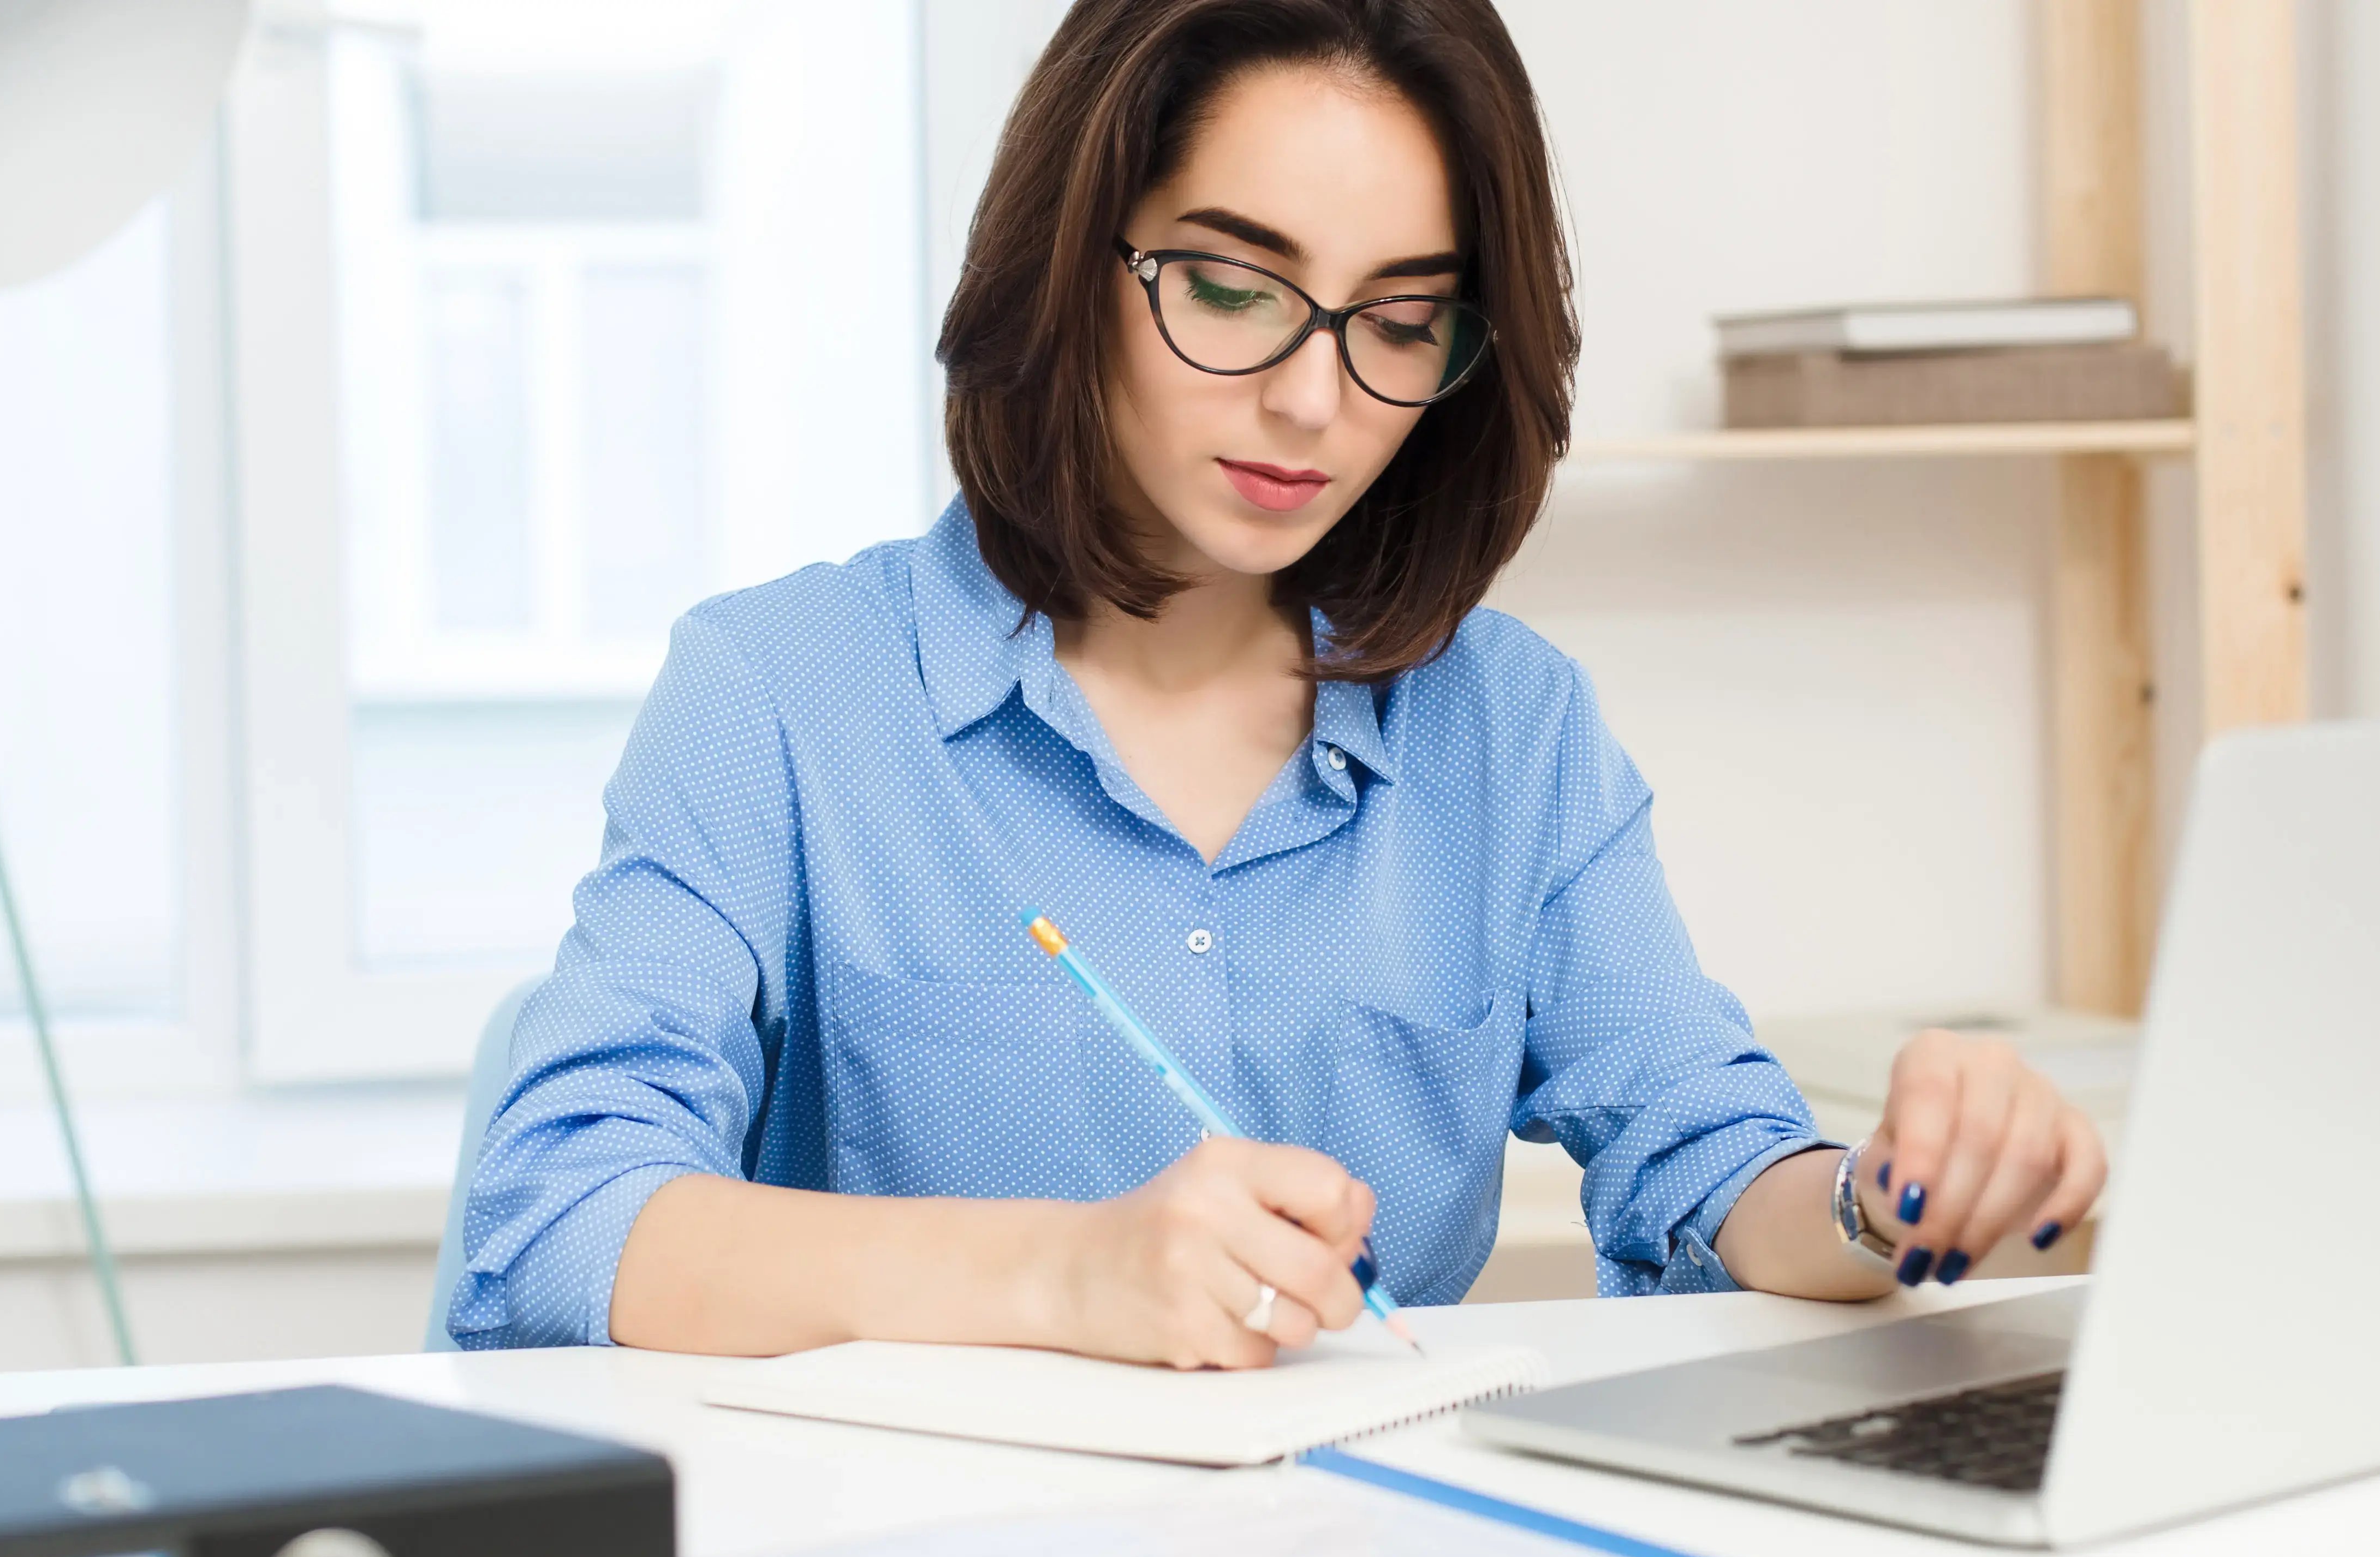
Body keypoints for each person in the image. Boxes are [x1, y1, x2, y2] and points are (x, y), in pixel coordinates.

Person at [451, 0, 2105, 1368]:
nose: (1315, 401)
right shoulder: (784, 696)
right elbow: (558, 1222)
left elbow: (1714, 1160)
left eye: (1398, 322)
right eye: (1233, 289)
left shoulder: (1509, 734)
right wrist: (1067, 1279)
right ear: (1068, 269)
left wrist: (1890, 1198)